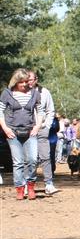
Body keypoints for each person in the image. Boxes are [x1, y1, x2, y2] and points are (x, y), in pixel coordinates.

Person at [0, 68, 43, 200]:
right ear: (15, 81)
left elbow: (40, 111)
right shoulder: (7, 93)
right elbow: (0, 111)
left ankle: (30, 186)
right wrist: (5, 129)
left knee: (32, 160)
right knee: (18, 162)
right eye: (21, 82)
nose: (24, 84)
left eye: (26, 81)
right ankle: (19, 188)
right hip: (12, 132)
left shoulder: (35, 93)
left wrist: (37, 126)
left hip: (30, 131)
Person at [27, 70, 60, 195]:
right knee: (30, 159)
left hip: (42, 128)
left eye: (31, 79)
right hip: (28, 129)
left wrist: (47, 125)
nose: (29, 82)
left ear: (36, 79)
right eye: (27, 79)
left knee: (45, 157)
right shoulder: (22, 92)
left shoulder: (45, 92)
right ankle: (28, 184)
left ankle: (49, 184)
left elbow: (50, 110)